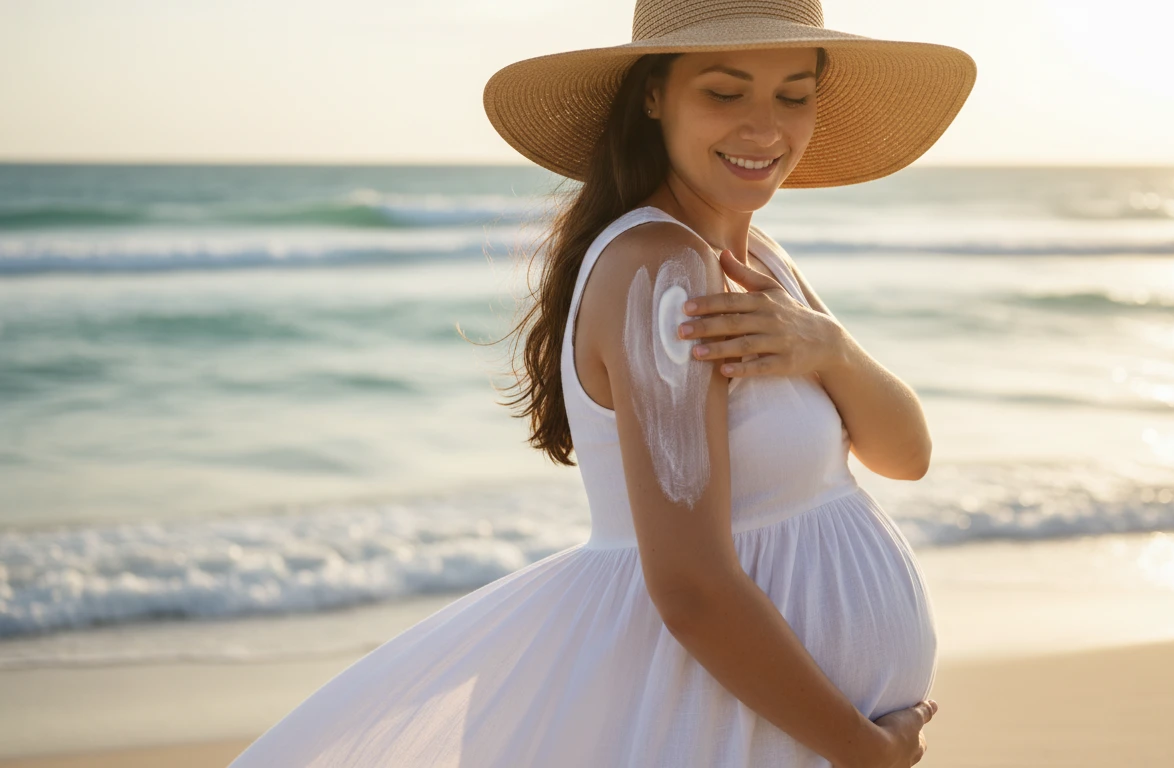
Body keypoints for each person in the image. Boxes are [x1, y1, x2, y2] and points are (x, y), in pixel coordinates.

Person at [227, 0, 975, 765]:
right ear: (653, 94)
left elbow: (906, 455)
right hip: (720, 719)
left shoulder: (762, 261)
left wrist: (832, 350)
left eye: (793, 95)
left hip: (778, 722)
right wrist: (859, 747)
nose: (765, 127)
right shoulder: (661, 270)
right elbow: (691, 586)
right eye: (725, 91)